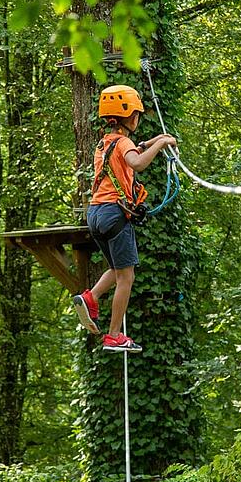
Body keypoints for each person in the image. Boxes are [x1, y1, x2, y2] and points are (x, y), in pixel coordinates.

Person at [73, 84, 177, 352]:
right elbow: (137, 162)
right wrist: (163, 143)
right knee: (126, 277)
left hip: (95, 214)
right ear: (131, 116)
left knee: (116, 269)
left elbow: (135, 149)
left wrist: (157, 140)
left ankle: (91, 297)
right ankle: (115, 335)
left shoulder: (104, 142)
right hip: (114, 214)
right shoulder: (124, 143)